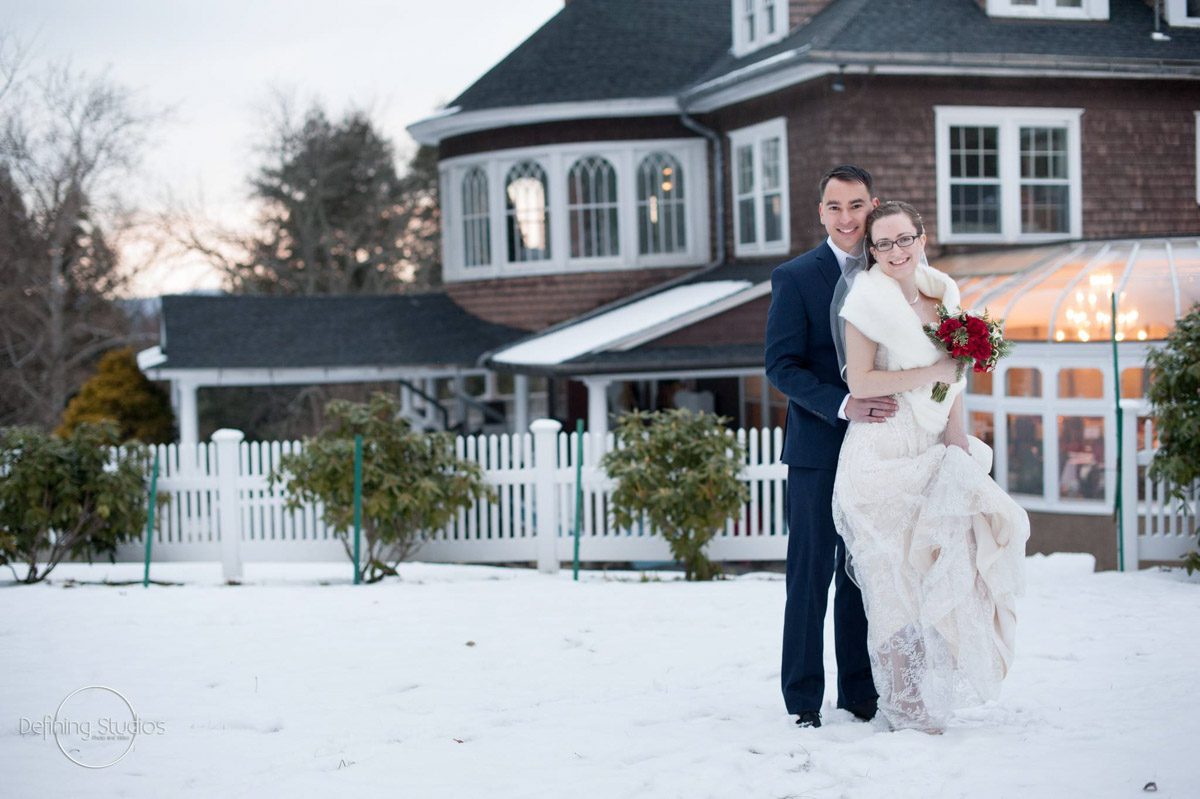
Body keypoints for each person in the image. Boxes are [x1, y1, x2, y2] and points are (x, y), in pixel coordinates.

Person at [832, 201, 1030, 733]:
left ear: (922, 238)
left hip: (932, 448)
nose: (895, 252)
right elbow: (861, 383)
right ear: (871, 251)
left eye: (903, 239)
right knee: (893, 586)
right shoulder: (865, 300)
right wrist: (930, 370)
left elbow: (954, 381)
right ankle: (905, 709)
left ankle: (928, 697)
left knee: (932, 574)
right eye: (883, 244)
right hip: (882, 454)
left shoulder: (943, 294)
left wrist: (958, 447)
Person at [765, 165, 898, 729]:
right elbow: (781, 366)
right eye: (835, 207)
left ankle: (860, 695)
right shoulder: (795, 277)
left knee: (861, 574)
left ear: (873, 208)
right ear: (820, 212)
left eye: (857, 206)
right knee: (811, 576)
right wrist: (843, 404)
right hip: (819, 450)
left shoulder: (891, 273)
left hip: (879, 451)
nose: (847, 218)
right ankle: (802, 701)